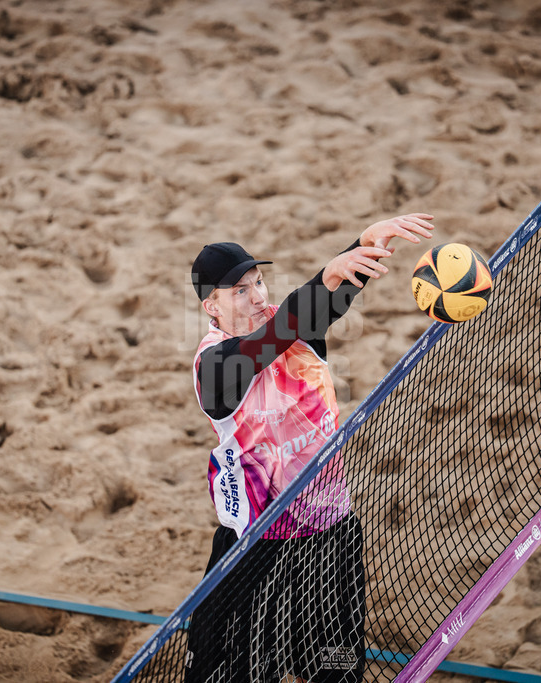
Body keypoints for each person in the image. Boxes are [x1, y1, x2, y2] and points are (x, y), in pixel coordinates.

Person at [184, 214, 434, 683]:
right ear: (210, 308)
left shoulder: (295, 327)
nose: (257, 296)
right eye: (240, 291)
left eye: (258, 281)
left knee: (335, 670)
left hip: (329, 540)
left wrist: (365, 240)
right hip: (254, 552)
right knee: (227, 674)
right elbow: (264, 345)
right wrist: (326, 276)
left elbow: (327, 295)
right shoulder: (215, 366)